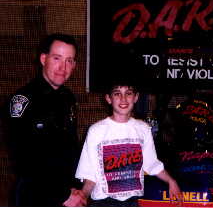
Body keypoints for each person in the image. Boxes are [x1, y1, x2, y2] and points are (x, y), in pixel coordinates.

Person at [63, 78, 182, 207]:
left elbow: (152, 164)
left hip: (132, 202)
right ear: (108, 98)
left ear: (136, 97)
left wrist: (171, 181)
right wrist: (83, 196)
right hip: (104, 203)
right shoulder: (96, 131)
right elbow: (90, 173)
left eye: (128, 93)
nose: (123, 99)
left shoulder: (143, 129)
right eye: (117, 93)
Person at [8, 33, 81, 206]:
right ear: (43, 59)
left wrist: (76, 187)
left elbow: (70, 147)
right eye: (57, 58)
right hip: (35, 196)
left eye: (69, 60)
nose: (63, 67)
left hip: (67, 195)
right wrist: (63, 194)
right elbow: (24, 160)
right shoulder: (23, 100)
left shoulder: (68, 98)